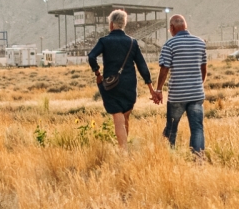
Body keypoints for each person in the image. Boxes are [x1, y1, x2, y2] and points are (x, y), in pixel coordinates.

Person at [85, 8, 151, 146]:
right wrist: (150, 87)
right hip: (129, 84)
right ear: (124, 24)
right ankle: (125, 146)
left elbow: (91, 57)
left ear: (111, 24)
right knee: (125, 117)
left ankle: (123, 152)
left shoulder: (104, 41)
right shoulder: (132, 42)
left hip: (111, 84)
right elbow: (142, 65)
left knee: (118, 118)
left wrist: (97, 73)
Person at [152, 12, 208, 154]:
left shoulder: (170, 44)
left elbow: (164, 69)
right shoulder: (200, 43)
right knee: (197, 129)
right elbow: (203, 68)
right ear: (185, 26)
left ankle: (169, 155)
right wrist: (197, 85)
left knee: (172, 127)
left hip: (177, 95)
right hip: (196, 94)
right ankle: (198, 159)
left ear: (172, 27)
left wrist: (158, 90)